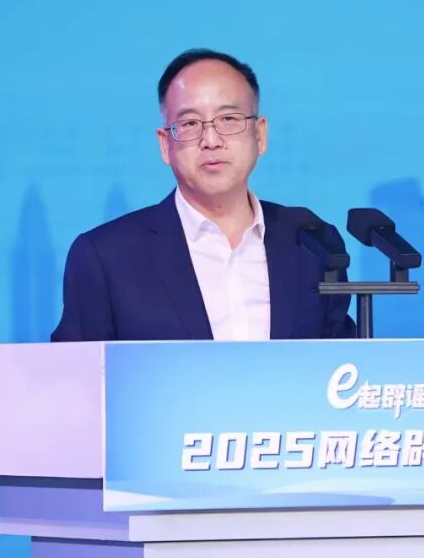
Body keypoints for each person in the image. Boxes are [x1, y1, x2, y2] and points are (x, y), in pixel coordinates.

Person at [50, 48, 355, 342]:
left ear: (260, 134)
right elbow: (72, 372)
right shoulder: (107, 256)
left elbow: (343, 366)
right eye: (190, 124)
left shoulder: (311, 244)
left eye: (229, 119)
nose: (211, 139)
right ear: (165, 145)